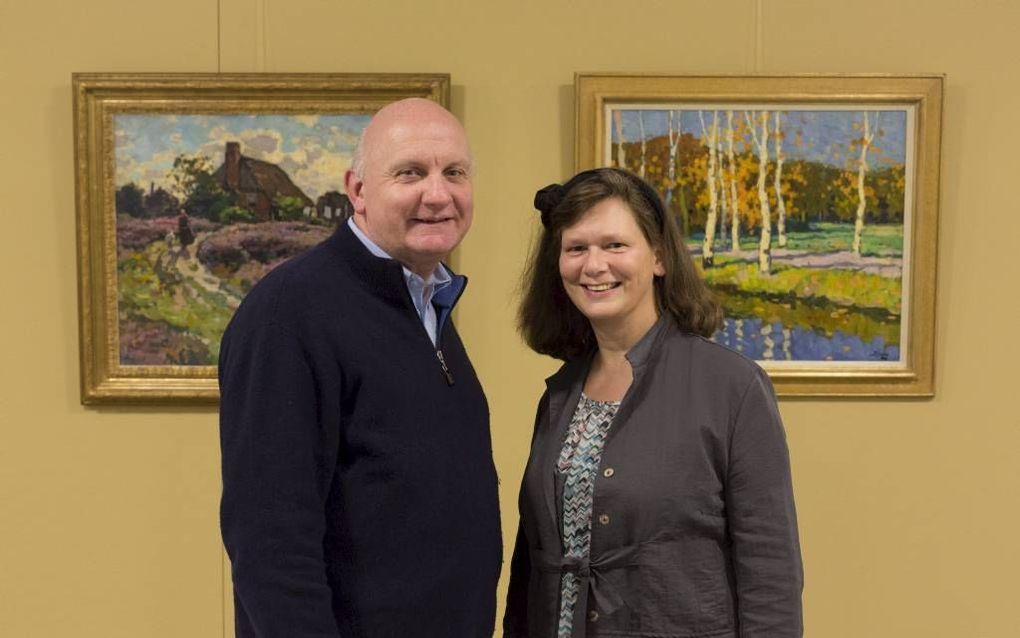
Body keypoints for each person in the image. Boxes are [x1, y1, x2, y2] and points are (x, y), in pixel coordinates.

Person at [219, 98, 502, 638]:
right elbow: (269, 542)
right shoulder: (290, 312)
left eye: (455, 173)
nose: (438, 194)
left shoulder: (424, 301)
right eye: (410, 173)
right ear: (358, 191)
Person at [504, 168, 802, 638]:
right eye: (576, 248)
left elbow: (770, 574)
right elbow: (531, 562)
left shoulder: (733, 387)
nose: (593, 265)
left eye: (615, 245)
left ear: (659, 257)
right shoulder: (560, 395)